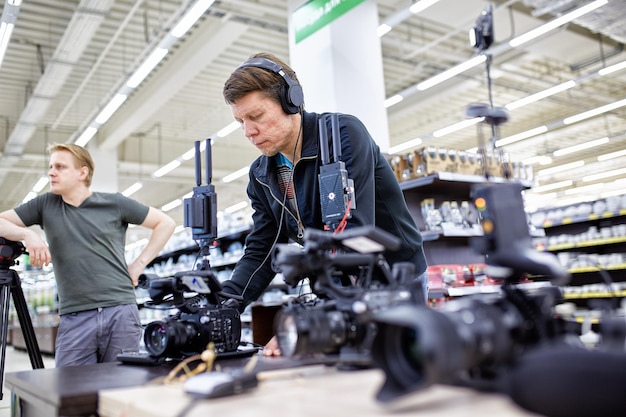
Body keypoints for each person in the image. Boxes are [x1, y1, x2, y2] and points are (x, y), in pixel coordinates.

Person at [221, 52, 429, 356]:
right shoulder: (262, 174)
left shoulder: (341, 135)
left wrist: (310, 319)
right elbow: (263, 248)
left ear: (291, 101)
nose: (248, 132)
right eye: (240, 121)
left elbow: (355, 231)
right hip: (336, 283)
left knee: (398, 366)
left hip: (394, 275)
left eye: (256, 116)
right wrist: (226, 302)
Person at [0, 143, 176, 367]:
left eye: (60, 167)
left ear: (82, 173)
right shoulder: (45, 205)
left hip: (120, 311)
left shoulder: (115, 203)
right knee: (71, 394)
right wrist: (26, 234)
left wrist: (139, 264)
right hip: (75, 317)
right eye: (51, 166)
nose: (51, 172)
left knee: (120, 389)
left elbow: (165, 223)